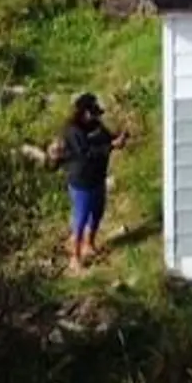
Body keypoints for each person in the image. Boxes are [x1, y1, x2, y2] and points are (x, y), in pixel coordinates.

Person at [54, 93, 123, 264]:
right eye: (92, 113)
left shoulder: (96, 125)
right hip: (81, 182)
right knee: (81, 218)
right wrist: (110, 147)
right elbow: (86, 153)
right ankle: (75, 257)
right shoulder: (72, 130)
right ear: (83, 112)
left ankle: (89, 244)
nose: (95, 116)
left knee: (97, 213)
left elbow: (108, 137)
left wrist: (118, 139)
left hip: (98, 177)